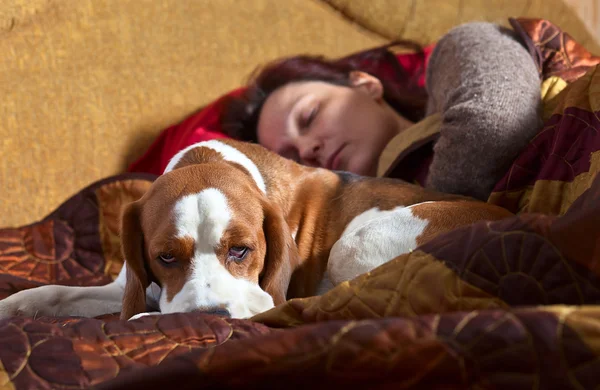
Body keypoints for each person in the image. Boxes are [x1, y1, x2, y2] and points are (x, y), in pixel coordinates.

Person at [221, 22, 543, 201]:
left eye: (308, 117)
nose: (307, 150)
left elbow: (491, 125)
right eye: (290, 158)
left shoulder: (457, 50)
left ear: (365, 83)